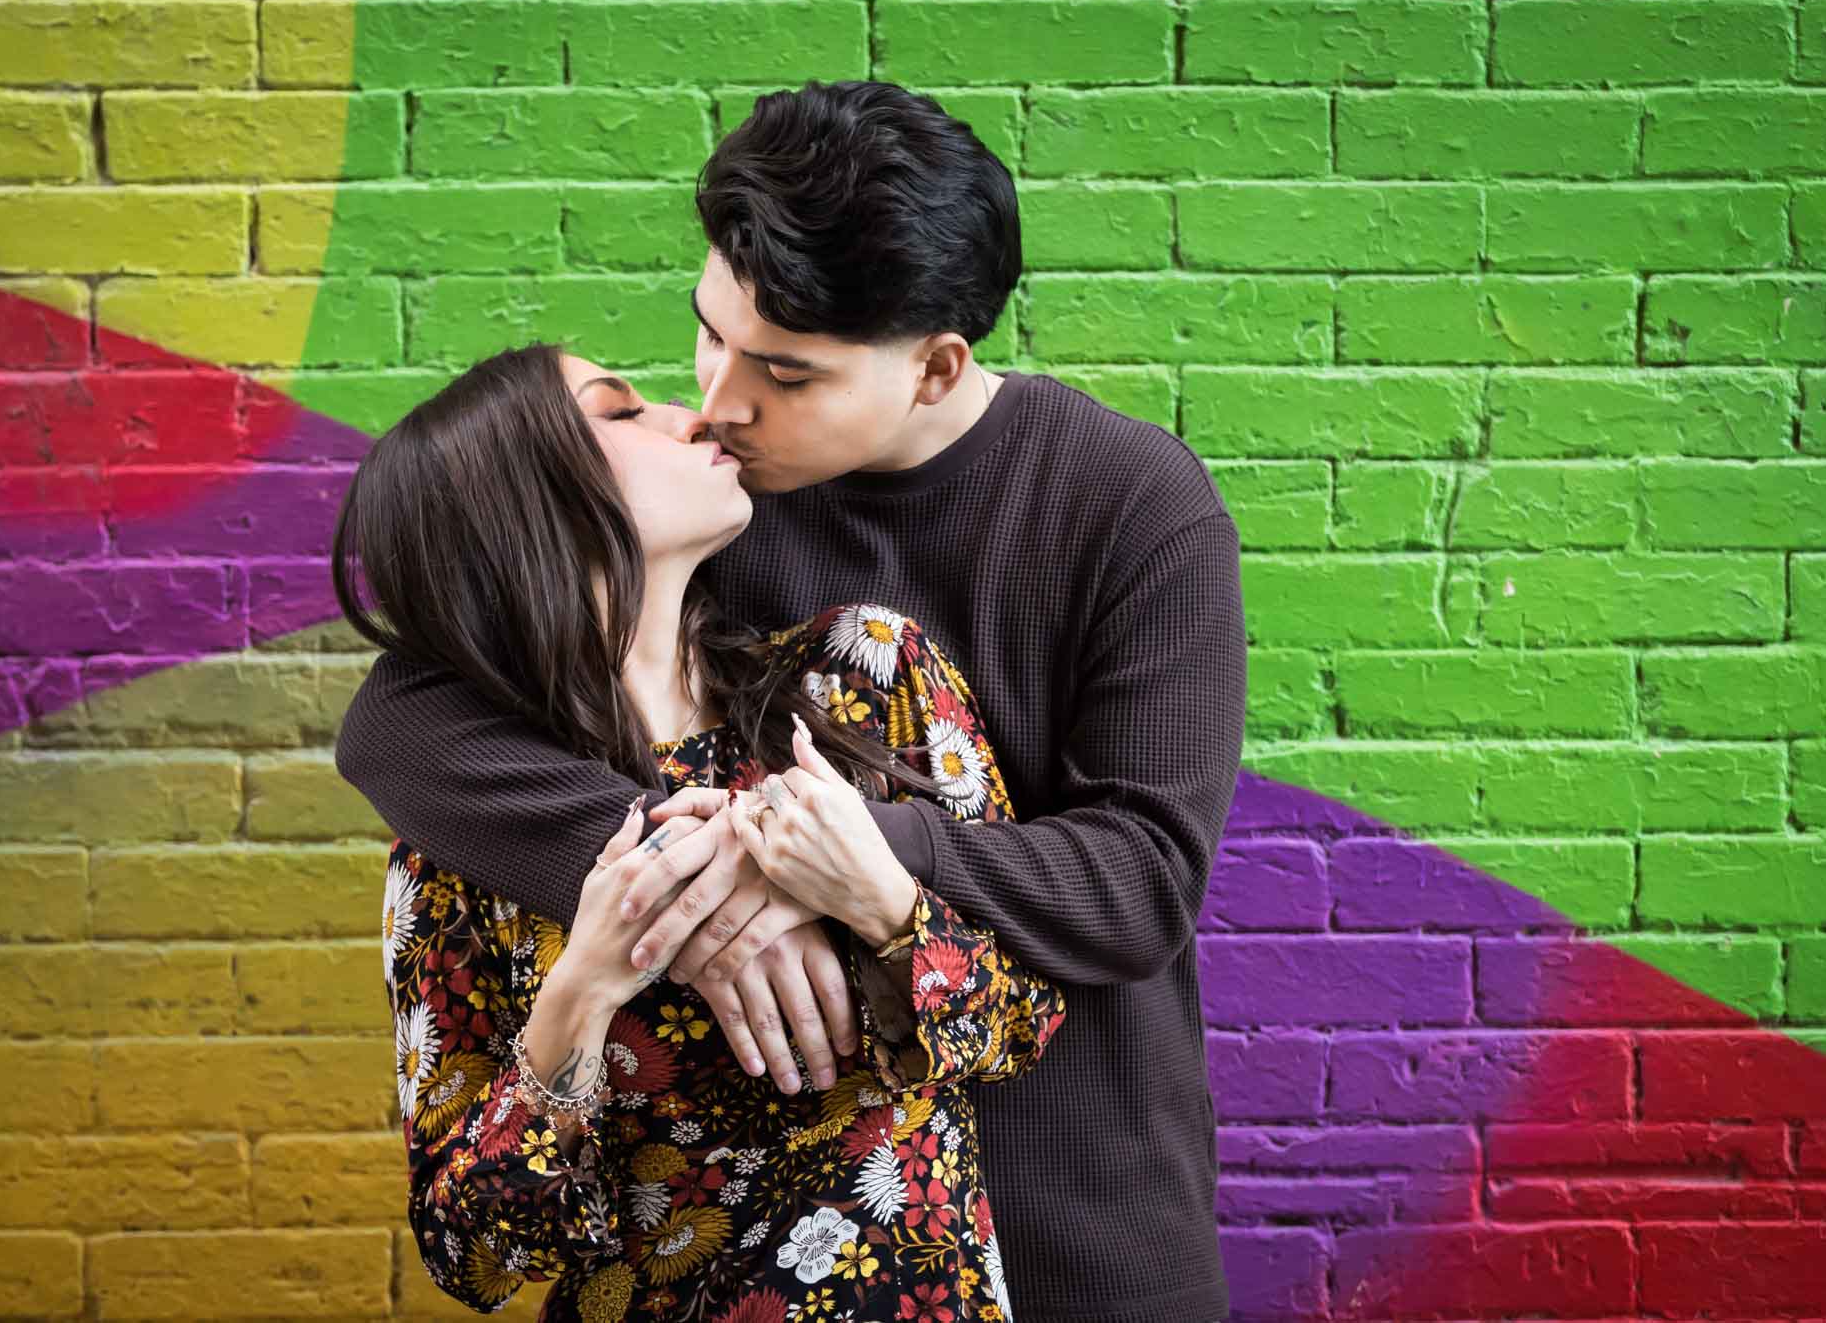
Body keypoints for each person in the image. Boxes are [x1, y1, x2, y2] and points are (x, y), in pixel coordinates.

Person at [338, 81, 1246, 1322]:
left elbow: (1138, 880)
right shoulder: (709, 505)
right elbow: (400, 714)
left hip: (1077, 1215)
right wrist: (697, 884)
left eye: (782, 372)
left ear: (934, 368)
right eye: (709, 333)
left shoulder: (1122, 508)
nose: (718, 401)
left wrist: (841, 863)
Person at [336, 342, 1066, 1319]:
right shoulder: (465, 839)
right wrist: (580, 994)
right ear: (529, 503)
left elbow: (1024, 1017)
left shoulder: (862, 675)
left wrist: (880, 902)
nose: (690, 413)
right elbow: (469, 1255)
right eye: (620, 409)